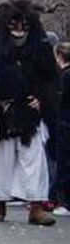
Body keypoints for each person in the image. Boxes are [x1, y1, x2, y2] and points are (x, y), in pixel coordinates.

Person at [0, 0, 59, 226]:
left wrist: (42, 98)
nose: (19, 29)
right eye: (14, 24)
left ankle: (36, 206)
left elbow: (51, 79)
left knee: (34, 160)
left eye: (24, 24)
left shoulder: (40, 43)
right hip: (0, 111)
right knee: (2, 160)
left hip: (29, 112)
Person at [54, 43, 70, 216]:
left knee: (64, 163)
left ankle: (65, 202)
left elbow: (59, 100)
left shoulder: (63, 77)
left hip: (65, 123)